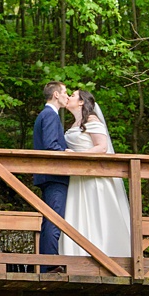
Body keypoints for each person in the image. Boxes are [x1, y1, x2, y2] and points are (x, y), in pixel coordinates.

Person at [62, 90, 133, 269]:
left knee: (96, 215)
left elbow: (101, 148)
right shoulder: (75, 123)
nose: (69, 97)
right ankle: (77, 256)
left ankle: (106, 255)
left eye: (73, 95)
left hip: (94, 178)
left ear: (81, 102)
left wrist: (77, 155)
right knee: (78, 214)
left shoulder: (92, 121)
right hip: (78, 178)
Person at [31, 80, 73, 270]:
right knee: (54, 219)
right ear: (56, 95)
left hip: (49, 175)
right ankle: (50, 265)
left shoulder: (46, 115)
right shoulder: (50, 115)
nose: (67, 96)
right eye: (65, 93)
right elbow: (50, 145)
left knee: (51, 219)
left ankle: (47, 262)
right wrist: (67, 153)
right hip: (53, 175)